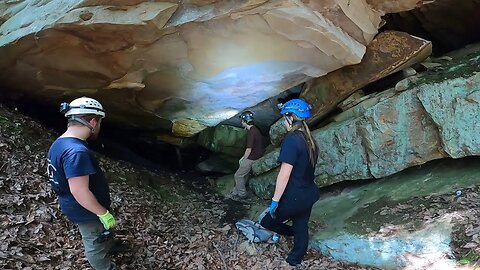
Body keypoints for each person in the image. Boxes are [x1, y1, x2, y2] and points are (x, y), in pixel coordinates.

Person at [47, 97, 117, 270]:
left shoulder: (60, 143)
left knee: (100, 234)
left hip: (73, 205)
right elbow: (79, 191)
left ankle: (109, 245)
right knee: (94, 245)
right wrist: (102, 213)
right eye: (99, 122)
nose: (99, 126)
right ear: (93, 121)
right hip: (86, 210)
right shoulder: (76, 152)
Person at [260, 98, 320, 266]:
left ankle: (290, 233)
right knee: (302, 225)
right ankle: (295, 260)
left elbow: (284, 175)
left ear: (290, 117)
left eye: (284, 117)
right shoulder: (310, 140)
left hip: (295, 197)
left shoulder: (292, 140)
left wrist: (275, 201)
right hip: (309, 193)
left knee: (266, 221)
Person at [228, 111, 265, 201]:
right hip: (258, 154)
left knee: (238, 175)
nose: (241, 122)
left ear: (245, 121)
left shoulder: (251, 132)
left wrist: (243, 159)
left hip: (252, 157)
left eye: (242, 121)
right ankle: (235, 192)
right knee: (243, 174)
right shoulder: (255, 129)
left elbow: (249, 149)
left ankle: (242, 194)